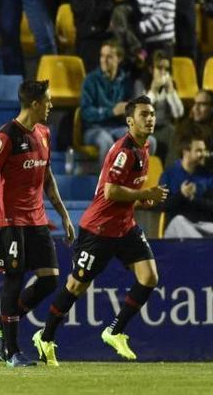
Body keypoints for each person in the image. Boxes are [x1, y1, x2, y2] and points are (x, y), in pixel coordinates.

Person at [34, 96, 169, 364]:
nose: (150, 118)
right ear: (130, 121)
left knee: (149, 276)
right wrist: (143, 192)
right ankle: (45, 337)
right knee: (75, 286)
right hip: (98, 229)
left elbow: (124, 191)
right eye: (144, 114)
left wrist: (142, 199)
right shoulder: (124, 151)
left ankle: (114, 331)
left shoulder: (145, 149)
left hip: (124, 227)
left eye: (152, 114)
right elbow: (110, 191)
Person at [0, 79, 76, 368]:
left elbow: (47, 176)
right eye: (48, 101)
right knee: (14, 281)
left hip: (37, 219)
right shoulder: (5, 136)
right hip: (9, 221)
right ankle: (12, 351)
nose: (52, 105)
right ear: (34, 104)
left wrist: (64, 215)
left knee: (50, 279)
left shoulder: (43, 133)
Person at [160, 134, 213, 238]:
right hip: (176, 227)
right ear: (186, 152)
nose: (204, 154)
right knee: (180, 221)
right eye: (199, 150)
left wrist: (193, 198)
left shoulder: (209, 176)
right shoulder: (169, 174)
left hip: (202, 225)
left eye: (204, 150)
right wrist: (182, 195)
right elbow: (163, 206)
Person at [81, 41, 135, 164]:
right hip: (94, 129)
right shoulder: (91, 80)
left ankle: (131, 181)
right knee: (107, 141)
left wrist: (128, 112)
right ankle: (105, 183)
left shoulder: (125, 81)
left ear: (119, 59)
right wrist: (111, 111)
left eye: (109, 57)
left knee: (143, 140)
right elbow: (85, 112)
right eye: (102, 56)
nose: (104, 60)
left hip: (118, 127)